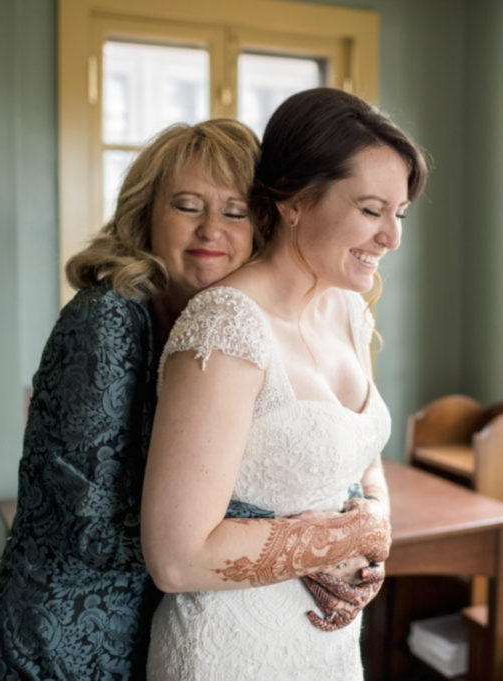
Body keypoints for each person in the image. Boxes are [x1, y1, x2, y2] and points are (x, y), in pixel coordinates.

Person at [0, 117, 379, 681]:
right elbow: (94, 526)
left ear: (263, 227)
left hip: (165, 630)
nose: (210, 230)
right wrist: (310, 537)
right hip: (61, 645)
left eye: (234, 211)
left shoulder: (235, 328)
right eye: (186, 205)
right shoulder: (106, 318)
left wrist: (346, 517)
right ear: (146, 214)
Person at [142, 87, 429, 680]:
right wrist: (350, 535)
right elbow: (175, 557)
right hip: (229, 649)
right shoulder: (226, 325)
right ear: (296, 200)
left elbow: (364, 462)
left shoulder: (349, 311)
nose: (392, 238)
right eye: (372, 211)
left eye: (398, 215)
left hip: (327, 645)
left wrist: (372, 537)